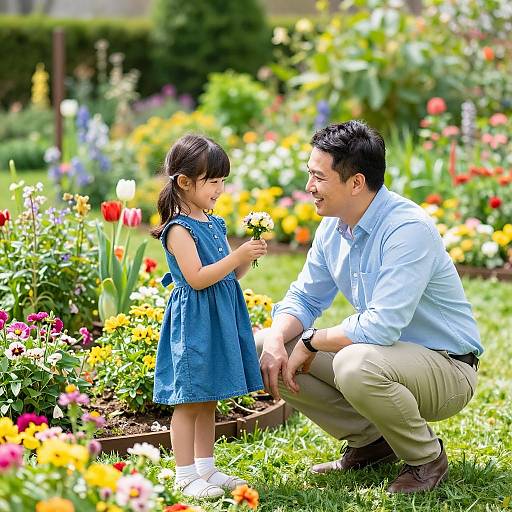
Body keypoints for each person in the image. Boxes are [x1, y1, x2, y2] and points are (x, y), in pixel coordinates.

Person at [257, 121, 483, 494]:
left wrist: (312, 340)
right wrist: (280, 337)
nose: (309, 187)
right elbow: (305, 296)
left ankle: (426, 459)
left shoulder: (407, 229)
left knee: (353, 363)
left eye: (318, 177)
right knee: (264, 345)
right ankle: (371, 444)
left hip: (448, 368)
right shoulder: (333, 227)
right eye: (309, 175)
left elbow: (381, 327)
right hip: (386, 358)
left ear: (356, 183)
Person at [151, 134, 266, 499]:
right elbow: (197, 278)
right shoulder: (179, 229)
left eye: (222, 180)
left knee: (210, 395)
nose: (220, 188)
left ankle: (206, 467)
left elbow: (229, 275)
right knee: (190, 399)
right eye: (213, 181)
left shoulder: (213, 222)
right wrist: (235, 257)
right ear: (185, 182)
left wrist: (244, 259)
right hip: (195, 322)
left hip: (218, 317)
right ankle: (184, 474)